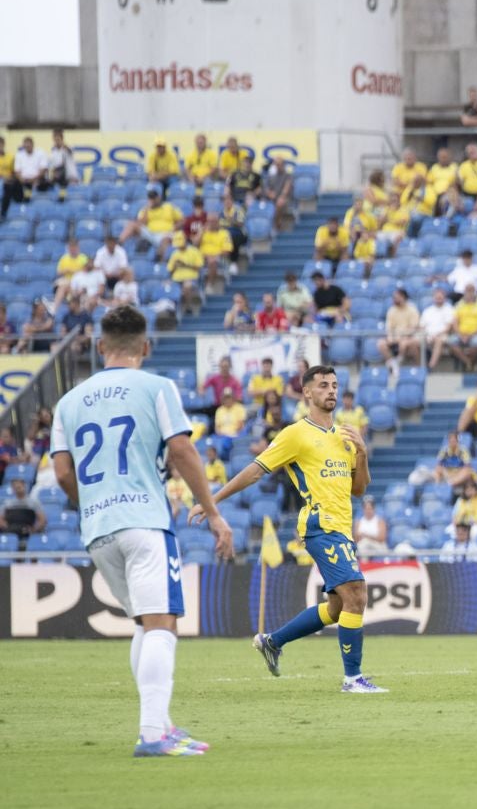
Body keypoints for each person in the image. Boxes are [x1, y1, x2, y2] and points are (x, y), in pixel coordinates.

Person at [49, 306, 234, 756]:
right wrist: (212, 512)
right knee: (162, 625)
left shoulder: (68, 401)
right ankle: (152, 733)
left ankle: (162, 725)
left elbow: (60, 470)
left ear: (99, 346)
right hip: (145, 520)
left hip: (98, 529)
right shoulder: (157, 387)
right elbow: (182, 450)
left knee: (145, 623)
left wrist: (89, 503)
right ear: (145, 347)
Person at [196, 364, 384, 693]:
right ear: (307, 392)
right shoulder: (295, 433)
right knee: (357, 593)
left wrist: (364, 454)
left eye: (335, 385)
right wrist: (212, 502)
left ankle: (273, 641)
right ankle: (353, 679)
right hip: (320, 523)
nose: (331, 391)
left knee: (340, 607)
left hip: (342, 526)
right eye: (323, 385)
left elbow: (360, 489)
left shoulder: (345, 436)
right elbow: (255, 471)